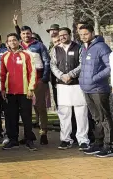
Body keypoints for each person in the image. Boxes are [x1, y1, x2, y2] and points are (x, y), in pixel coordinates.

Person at [50, 27, 89, 150]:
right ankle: (66, 139)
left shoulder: (79, 47)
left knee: (81, 113)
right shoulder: (55, 49)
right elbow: (52, 65)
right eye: (60, 35)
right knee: (64, 114)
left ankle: (83, 139)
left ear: (70, 35)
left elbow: (82, 64)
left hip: (77, 85)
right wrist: (61, 76)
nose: (62, 37)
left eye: (64, 35)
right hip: (62, 86)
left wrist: (71, 75)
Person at [78, 24, 113, 157]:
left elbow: (110, 67)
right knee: (96, 118)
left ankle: (109, 145)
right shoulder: (84, 47)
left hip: (99, 89)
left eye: (86, 34)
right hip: (87, 89)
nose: (83, 37)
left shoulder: (101, 47)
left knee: (104, 117)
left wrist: (94, 78)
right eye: (81, 35)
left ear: (92, 33)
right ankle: (98, 143)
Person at [0, 33, 37, 151]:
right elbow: (2, 74)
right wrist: (2, 89)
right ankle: (13, 140)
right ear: (7, 43)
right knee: (11, 117)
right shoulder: (4, 56)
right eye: (10, 41)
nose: (12, 42)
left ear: (18, 41)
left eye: (14, 40)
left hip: (25, 92)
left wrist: (31, 88)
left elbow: (33, 72)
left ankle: (29, 139)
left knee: (26, 117)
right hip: (10, 92)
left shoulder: (26, 55)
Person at [19, 26, 51, 145]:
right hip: (23, 80)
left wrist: (44, 78)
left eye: (28, 33)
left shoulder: (39, 45)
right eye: (23, 34)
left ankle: (43, 133)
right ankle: (28, 135)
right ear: (20, 35)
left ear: (31, 34)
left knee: (40, 107)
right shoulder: (19, 46)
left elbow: (46, 61)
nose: (26, 35)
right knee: (25, 109)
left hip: (38, 79)